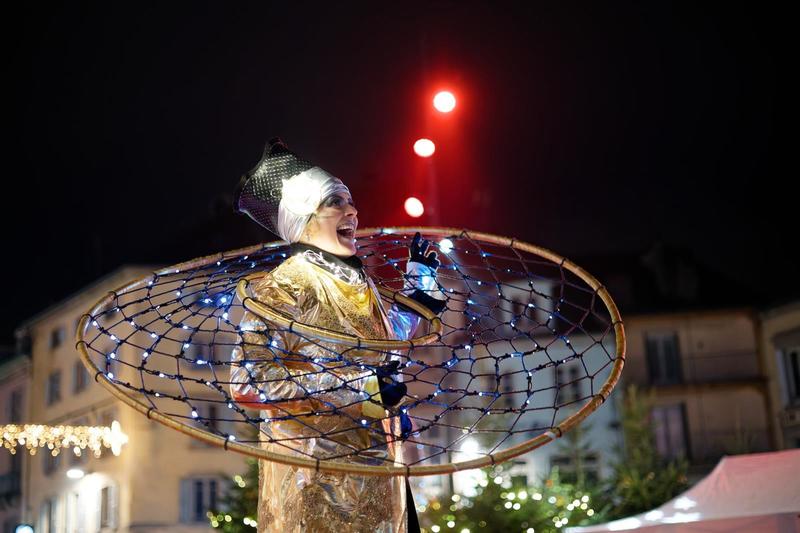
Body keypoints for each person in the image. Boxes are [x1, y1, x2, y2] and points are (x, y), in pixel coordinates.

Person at [229, 139, 445, 533]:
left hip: (381, 472)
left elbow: (377, 348)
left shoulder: (358, 280)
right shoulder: (283, 286)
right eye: (336, 202)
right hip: (317, 486)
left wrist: (420, 293)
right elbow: (247, 382)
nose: (353, 211)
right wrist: (361, 387)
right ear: (304, 217)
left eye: (351, 201)